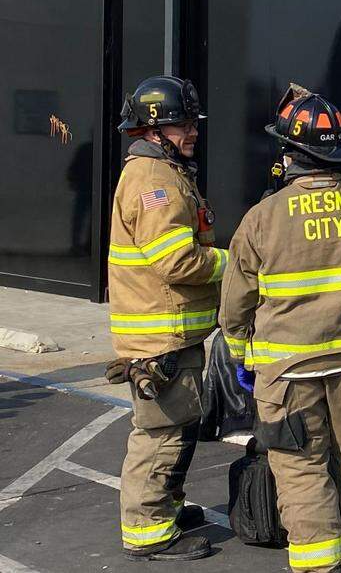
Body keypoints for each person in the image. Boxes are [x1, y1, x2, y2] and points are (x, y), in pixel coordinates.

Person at [220, 86, 341, 573]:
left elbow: (235, 305)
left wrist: (242, 354)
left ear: (290, 156)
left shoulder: (261, 218)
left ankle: (318, 565)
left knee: (301, 468)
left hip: (286, 374)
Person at [107, 75, 227, 562]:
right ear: (153, 131)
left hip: (171, 329)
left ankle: (166, 506)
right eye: (181, 123)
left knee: (179, 426)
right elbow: (177, 262)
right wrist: (231, 263)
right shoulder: (154, 182)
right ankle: (147, 530)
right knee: (161, 432)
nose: (192, 131)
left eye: (191, 121)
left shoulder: (166, 173)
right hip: (161, 333)